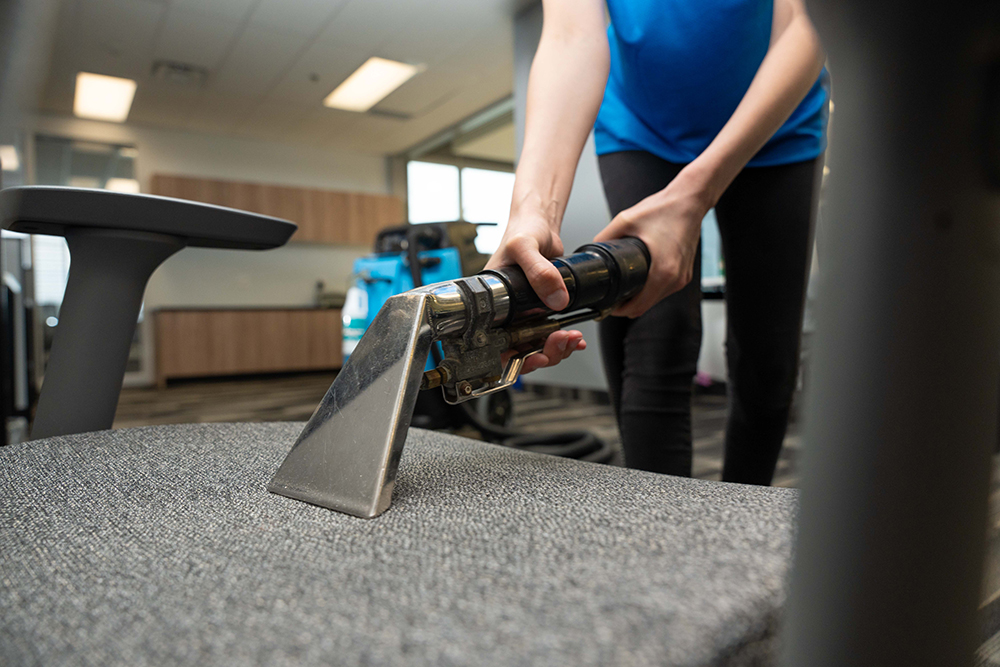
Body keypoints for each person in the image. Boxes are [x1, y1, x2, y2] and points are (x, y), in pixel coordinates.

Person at [485, 0, 829, 485]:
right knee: (657, 330)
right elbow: (570, 37)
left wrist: (696, 193)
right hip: (643, 126)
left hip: (779, 126)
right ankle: (658, 536)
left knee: (767, 362)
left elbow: (807, 21)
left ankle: (742, 515)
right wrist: (530, 213)